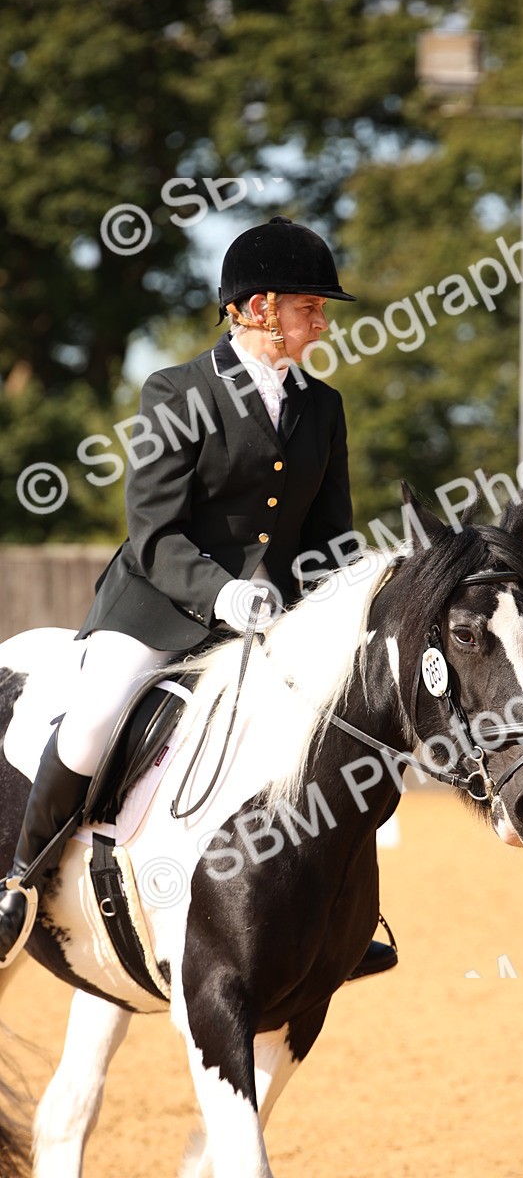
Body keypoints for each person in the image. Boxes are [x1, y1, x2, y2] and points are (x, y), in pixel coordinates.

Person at [0, 216, 397, 980]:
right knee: (91, 724)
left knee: (346, 730)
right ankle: (20, 879)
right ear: (256, 308)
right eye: (309, 307)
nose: (322, 321)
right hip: (158, 607)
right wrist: (223, 595)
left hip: (269, 622)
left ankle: (342, 916)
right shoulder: (176, 391)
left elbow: (330, 535)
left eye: (322, 309)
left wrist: (342, 603)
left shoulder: (323, 406)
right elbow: (152, 530)